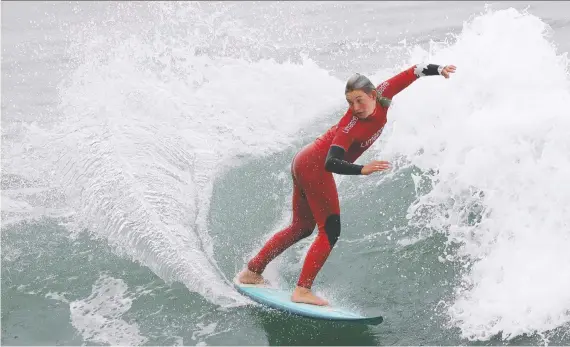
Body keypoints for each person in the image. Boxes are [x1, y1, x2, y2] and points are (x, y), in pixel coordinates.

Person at [238, 63, 457, 306]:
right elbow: (331, 162)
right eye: (350, 103)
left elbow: (413, 72)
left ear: (373, 95)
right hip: (315, 166)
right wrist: (362, 169)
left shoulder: (384, 92)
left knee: (301, 227)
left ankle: (253, 271)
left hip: (304, 161)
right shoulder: (350, 126)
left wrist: (439, 69)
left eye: (359, 101)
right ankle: (302, 290)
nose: (355, 108)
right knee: (330, 230)